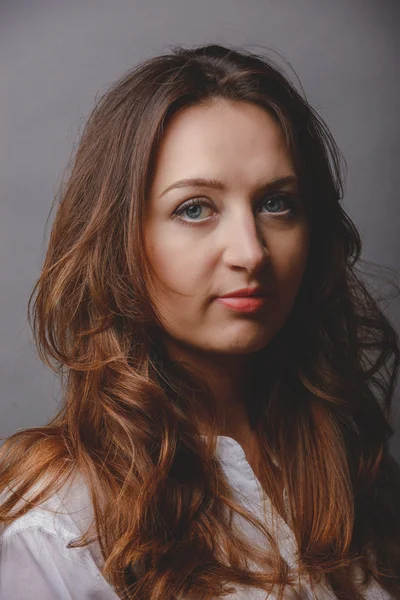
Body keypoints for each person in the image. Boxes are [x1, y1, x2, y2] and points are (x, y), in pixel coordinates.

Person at [0, 43, 399, 600]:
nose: (251, 253)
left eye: (277, 203)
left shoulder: (345, 456)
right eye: (195, 208)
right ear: (121, 240)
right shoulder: (59, 522)